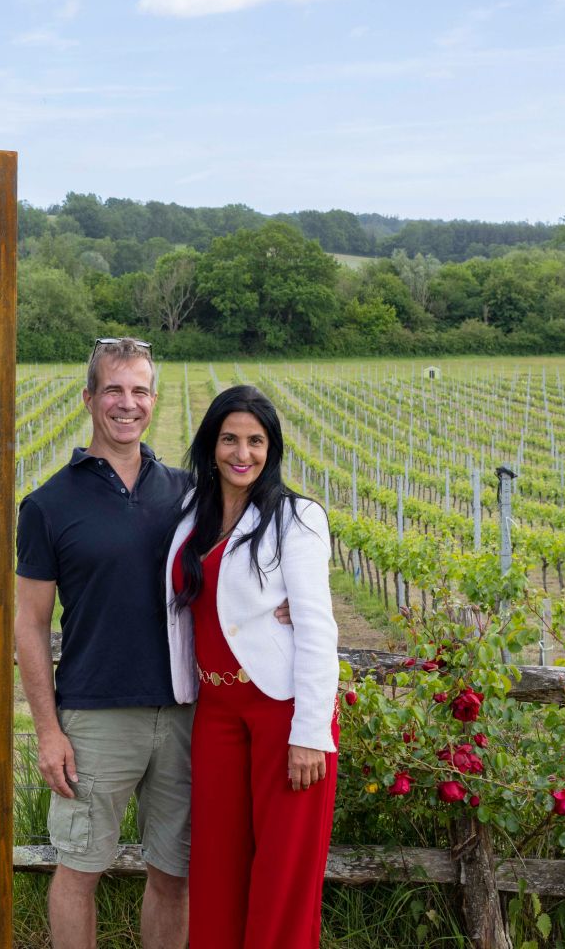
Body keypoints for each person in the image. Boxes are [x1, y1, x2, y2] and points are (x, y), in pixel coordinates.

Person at [15, 339, 287, 949]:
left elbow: (248, 564)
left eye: (139, 390)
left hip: (188, 711)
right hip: (93, 716)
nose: (126, 403)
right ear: (89, 398)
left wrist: (285, 601)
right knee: (80, 869)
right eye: (113, 389)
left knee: (175, 873)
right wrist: (47, 730)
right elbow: (29, 625)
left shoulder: (191, 494)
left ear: (153, 401)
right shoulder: (48, 505)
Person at [164, 384, 339, 949]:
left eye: (256, 441)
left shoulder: (297, 518)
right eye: (230, 439)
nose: (243, 453)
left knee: (282, 877)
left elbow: (317, 628)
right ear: (210, 445)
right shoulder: (192, 513)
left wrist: (310, 733)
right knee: (216, 868)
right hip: (216, 713)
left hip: (282, 713)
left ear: (273, 448)